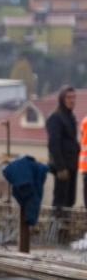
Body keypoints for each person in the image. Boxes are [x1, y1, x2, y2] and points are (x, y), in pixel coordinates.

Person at [46, 86, 79, 216]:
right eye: (69, 97)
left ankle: (65, 234)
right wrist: (60, 168)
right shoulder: (56, 118)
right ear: (62, 99)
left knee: (70, 201)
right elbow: (54, 144)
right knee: (60, 203)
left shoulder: (70, 117)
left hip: (72, 166)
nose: (72, 101)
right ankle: (56, 233)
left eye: (74, 97)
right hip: (62, 168)